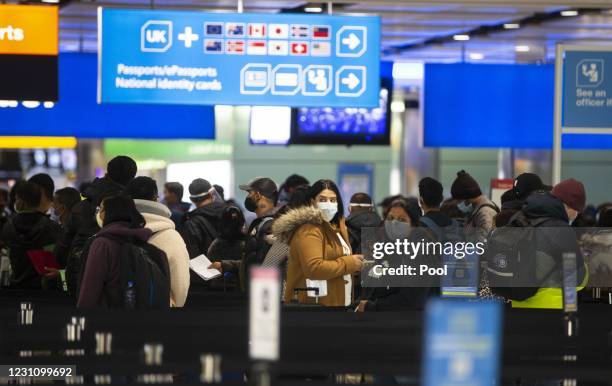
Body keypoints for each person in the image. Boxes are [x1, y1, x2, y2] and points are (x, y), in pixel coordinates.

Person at [60, 155, 137, 297]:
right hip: (117, 277)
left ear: (107, 172)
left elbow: (64, 247)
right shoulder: (131, 208)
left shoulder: (80, 207)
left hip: (78, 275)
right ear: (132, 178)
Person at [283, 179, 363, 306]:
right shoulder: (309, 230)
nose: (328, 204)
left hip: (336, 303)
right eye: (322, 200)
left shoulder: (336, 228)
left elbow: (337, 262)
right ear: (312, 202)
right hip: (313, 307)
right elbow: (314, 268)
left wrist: (357, 264)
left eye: (333, 200)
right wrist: (349, 263)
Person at [510, 178, 587, 309]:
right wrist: (585, 264)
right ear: (569, 205)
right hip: (550, 308)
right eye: (577, 211)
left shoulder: (521, 215)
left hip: (518, 303)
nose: (576, 215)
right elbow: (576, 278)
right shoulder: (561, 230)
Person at [77, 195, 153, 308]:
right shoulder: (142, 238)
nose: (99, 213)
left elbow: (90, 290)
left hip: (107, 318)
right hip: (139, 314)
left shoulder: (103, 244)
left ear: (109, 213)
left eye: (101, 209)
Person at [126, 177, 190, 307]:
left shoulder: (109, 234)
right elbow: (180, 285)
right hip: (159, 318)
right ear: (156, 199)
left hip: (113, 318)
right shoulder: (171, 237)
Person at [1, 181, 61, 289]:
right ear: (38, 200)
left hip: (14, 289)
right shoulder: (51, 227)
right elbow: (53, 262)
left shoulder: (8, 227)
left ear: (21, 201)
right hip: (43, 290)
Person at [240, 177, 278, 286]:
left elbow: (266, 264)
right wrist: (226, 265)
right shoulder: (261, 223)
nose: (247, 197)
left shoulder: (271, 227)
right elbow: (254, 258)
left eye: (249, 193)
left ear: (257, 195)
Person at [180, 178, 226, 259]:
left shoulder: (191, 223)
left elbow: (194, 257)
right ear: (212, 193)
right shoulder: (231, 212)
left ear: (192, 199)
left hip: (209, 270)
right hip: (234, 268)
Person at [451, 170, 499, 241]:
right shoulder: (477, 209)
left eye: (459, 200)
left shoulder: (485, 213)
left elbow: (483, 242)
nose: (458, 204)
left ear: (467, 197)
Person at [207, 206, 247, 291]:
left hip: (218, 289)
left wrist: (223, 265)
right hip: (240, 289)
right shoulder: (248, 243)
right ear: (242, 224)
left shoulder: (216, 244)